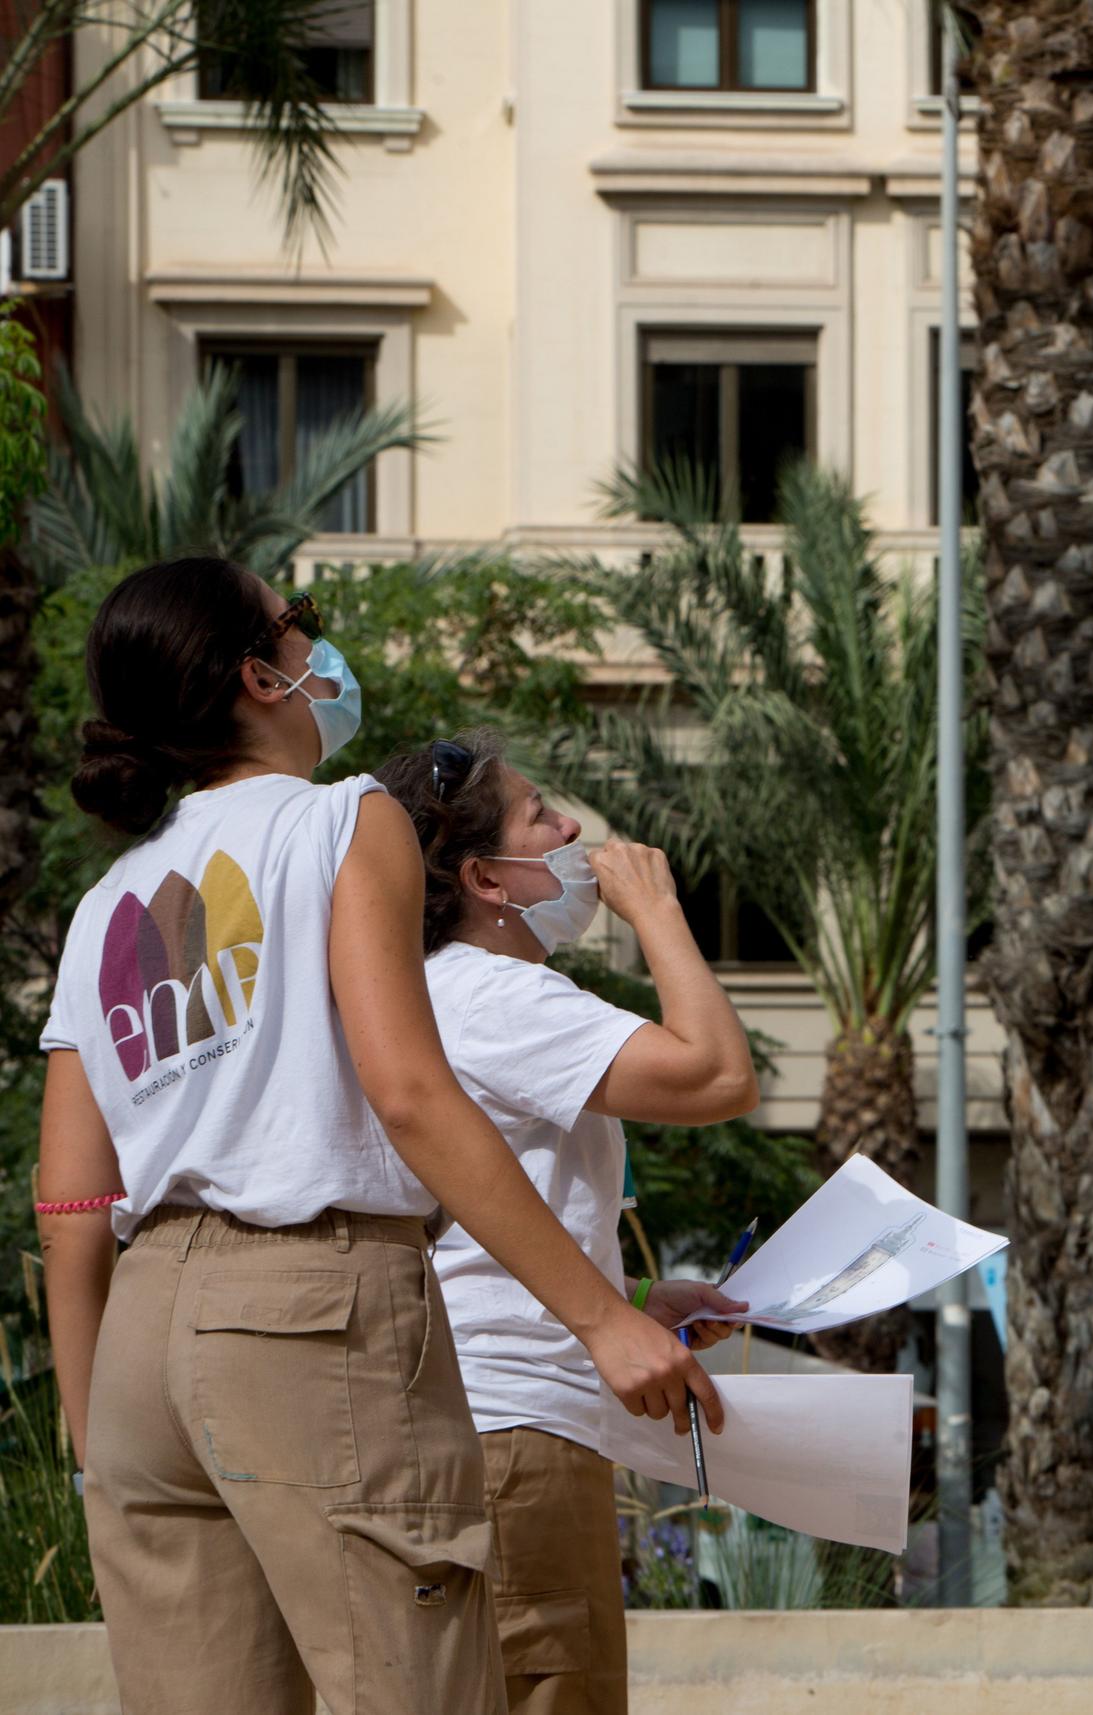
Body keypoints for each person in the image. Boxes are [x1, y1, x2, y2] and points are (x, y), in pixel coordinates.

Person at [33, 559, 721, 1715]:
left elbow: (67, 1196)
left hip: (142, 1342)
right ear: (261, 674)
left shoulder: (111, 900)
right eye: (301, 627)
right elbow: (407, 1089)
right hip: (308, 1310)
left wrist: (86, 1407)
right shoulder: (344, 818)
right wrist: (602, 1318)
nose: (318, 650)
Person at [370, 729, 758, 1714]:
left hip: (459, 1415)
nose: (574, 828)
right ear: (488, 878)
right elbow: (716, 1073)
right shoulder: (496, 993)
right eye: (541, 813)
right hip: (517, 1428)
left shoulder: (425, 999)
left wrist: (636, 1302)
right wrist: (658, 910)